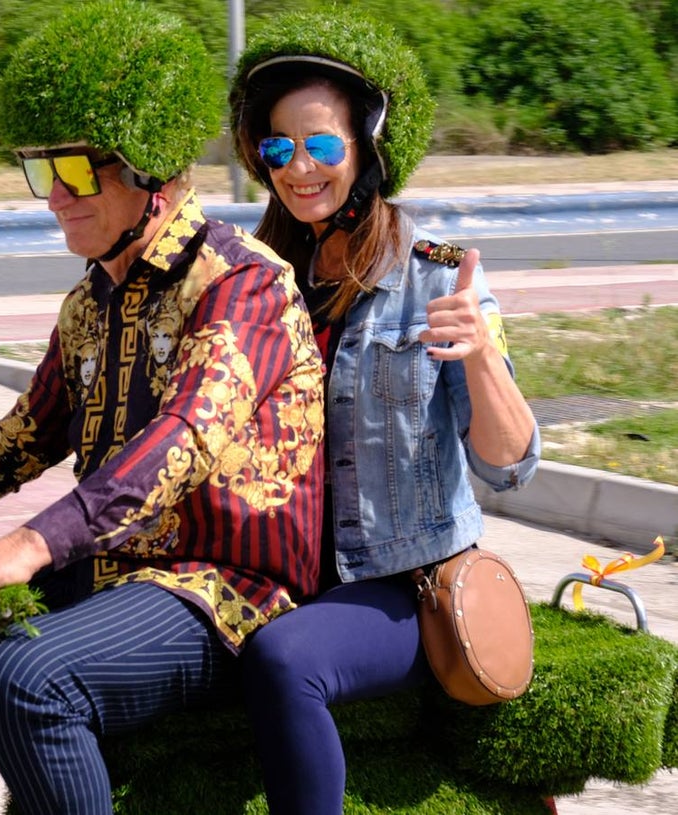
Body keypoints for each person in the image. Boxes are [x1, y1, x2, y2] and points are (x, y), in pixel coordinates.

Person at [0, 2, 325, 812]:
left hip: (224, 592)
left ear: (153, 170)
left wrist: (23, 546)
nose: (54, 196)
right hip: (116, 573)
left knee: (25, 675)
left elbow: (184, 439)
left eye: (77, 171)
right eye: (40, 172)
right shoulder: (91, 302)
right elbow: (23, 437)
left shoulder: (243, 285)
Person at [227, 10, 541, 814]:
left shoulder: (440, 278)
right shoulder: (256, 278)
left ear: (368, 149)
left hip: (401, 585)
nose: (300, 167)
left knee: (283, 660)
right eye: (279, 147)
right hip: (280, 570)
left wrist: (477, 349)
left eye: (323, 144)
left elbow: (509, 464)